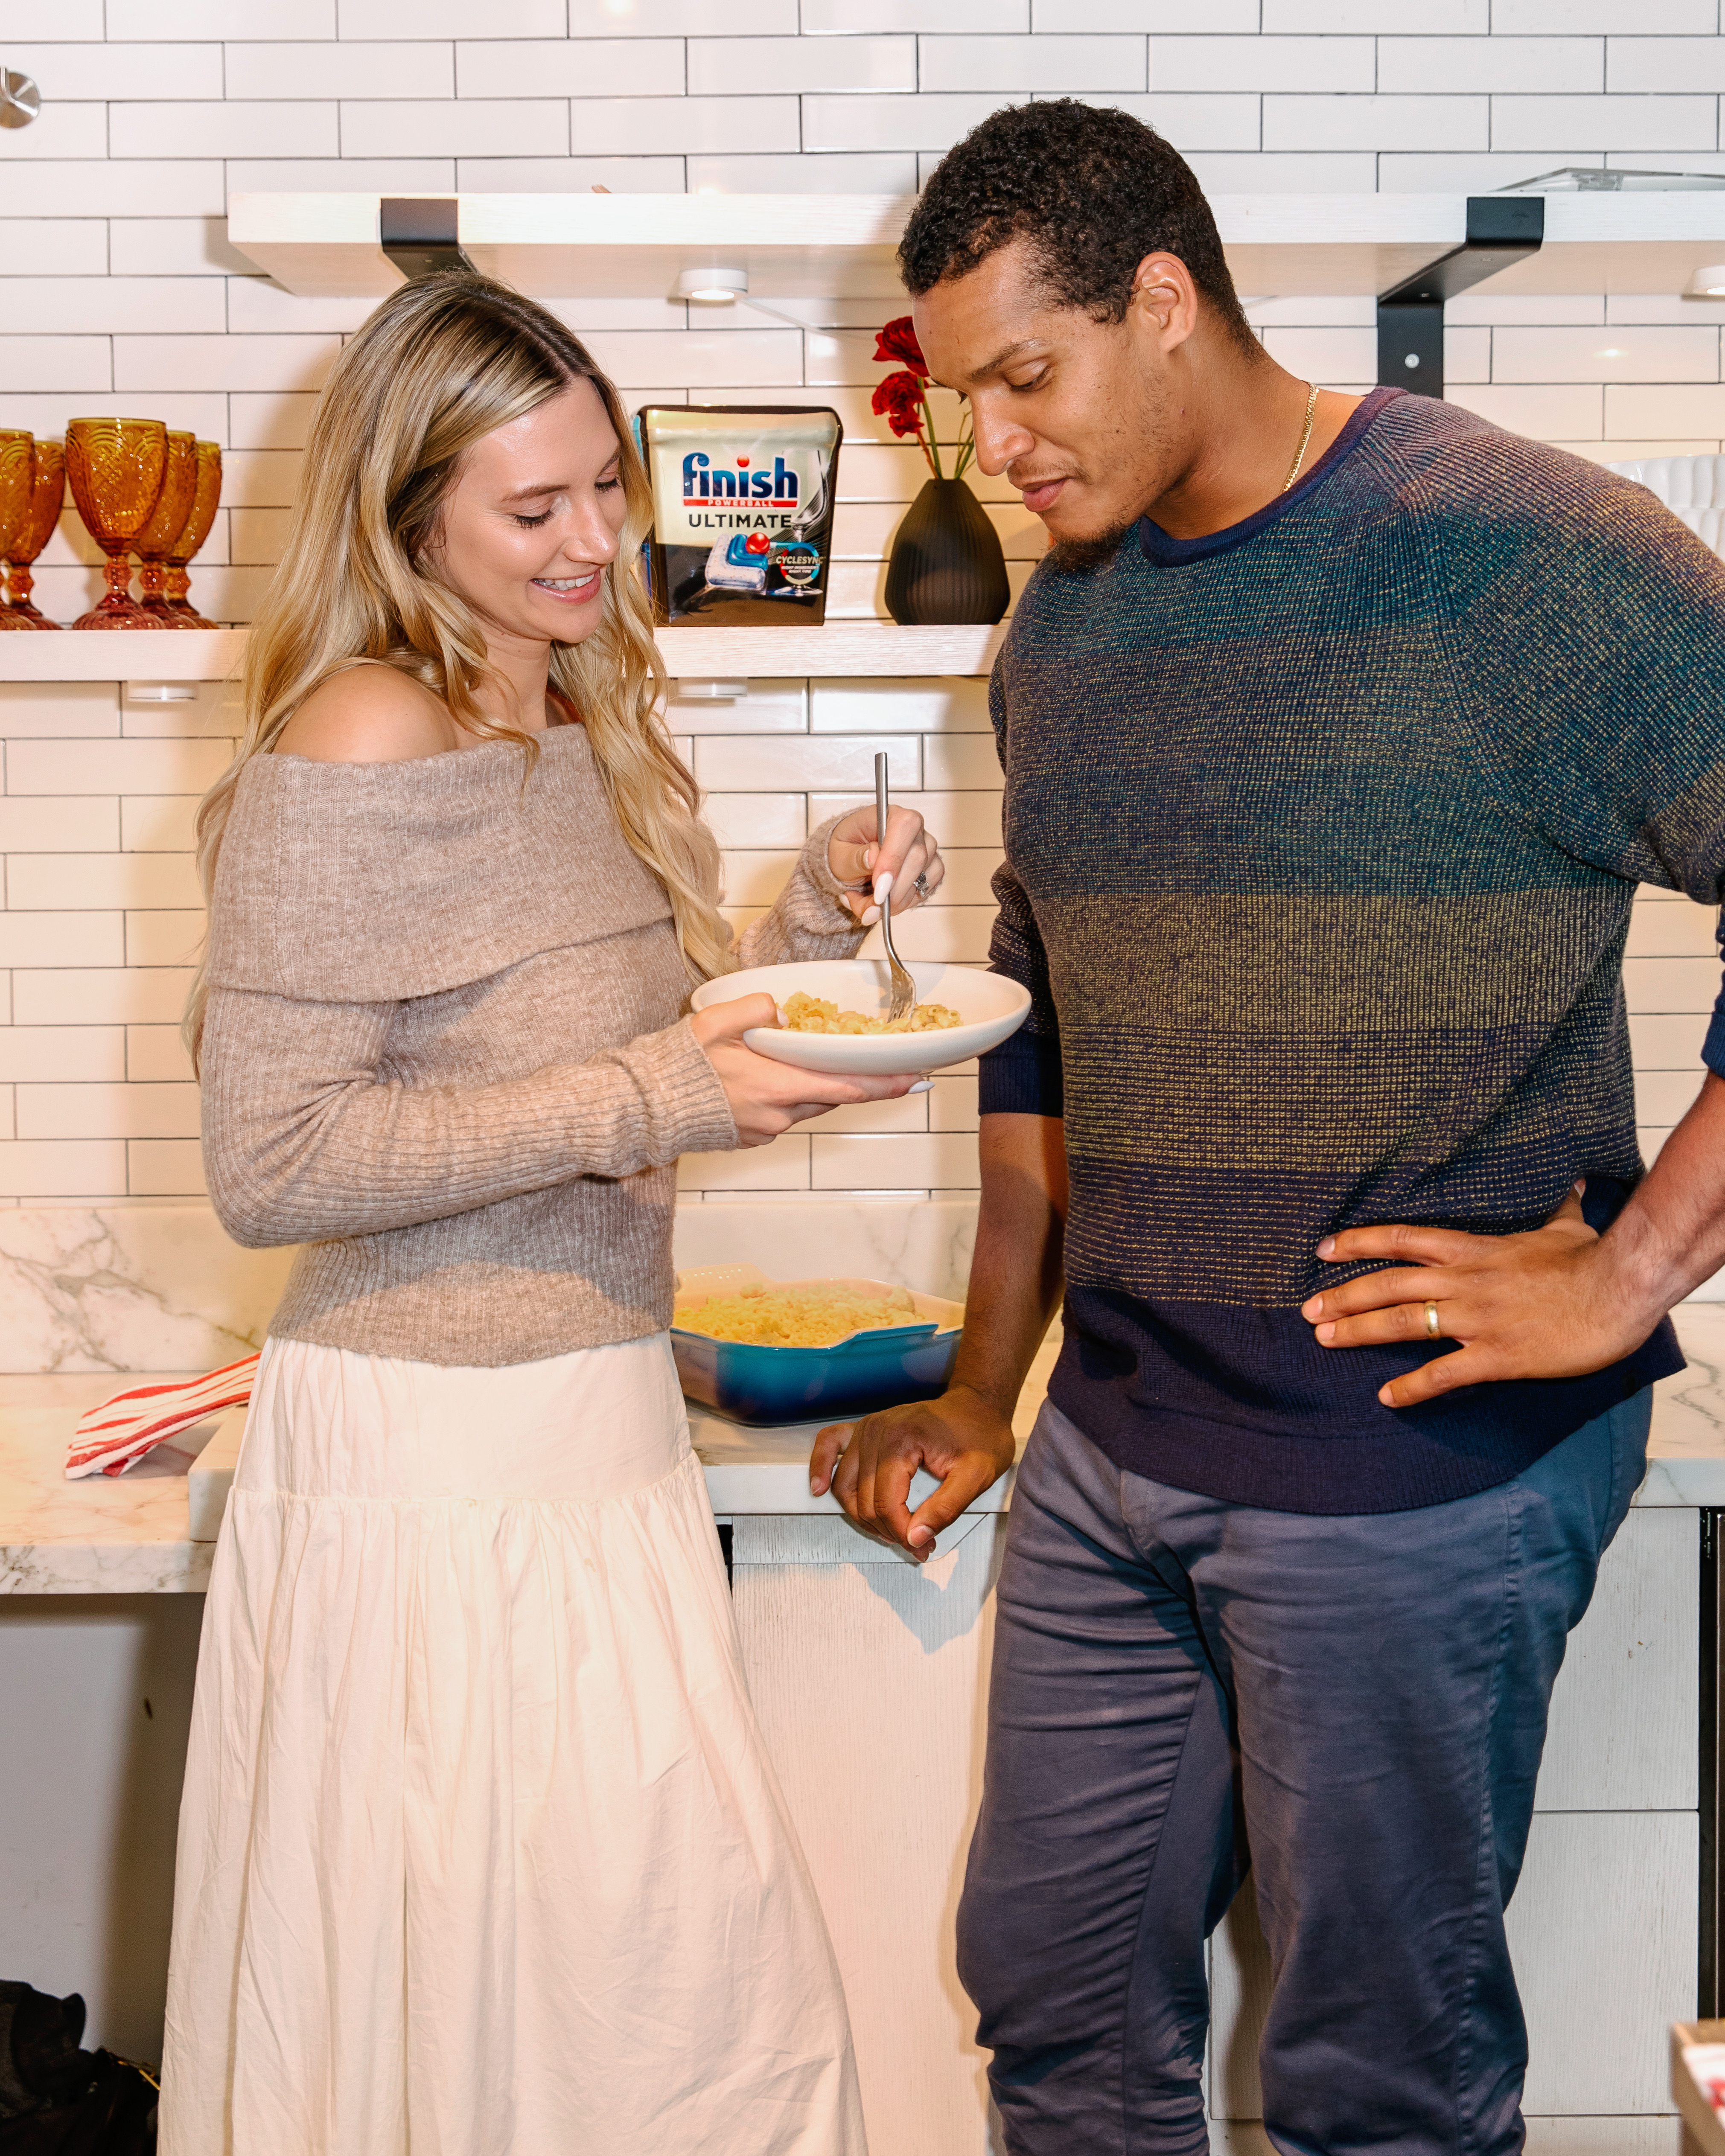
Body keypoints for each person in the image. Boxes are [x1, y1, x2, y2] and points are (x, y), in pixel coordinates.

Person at [809, 98, 1725, 2154]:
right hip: (1118, 1442)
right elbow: (1047, 1012)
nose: (997, 444)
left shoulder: (1537, 558)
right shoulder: (1064, 619)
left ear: (1164, 299)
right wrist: (983, 1386)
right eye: (960, 403)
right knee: (1049, 2004)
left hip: (1410, 1470)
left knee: (1369, 2082)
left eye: (1026, 379)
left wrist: (1629, 1271)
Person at [160, 272, 944, 2156]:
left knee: (643, 2034)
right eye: (537, 509)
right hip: (436, 1477)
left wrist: (810, 936)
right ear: (408, 511)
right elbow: (275, 1160)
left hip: (589, 1443)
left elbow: (607, 1072)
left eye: (608, 484)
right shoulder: (357, 737)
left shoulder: (561, 711)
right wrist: (663, 1088)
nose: (599, 538)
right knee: (560, 2040)